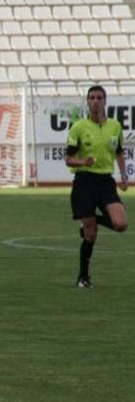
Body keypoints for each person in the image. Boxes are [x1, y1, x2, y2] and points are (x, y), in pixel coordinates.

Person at [66, 85, 129, 288]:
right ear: (87, 102)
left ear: (105, 101)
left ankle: (90, 221)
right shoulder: (78, 127)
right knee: (90, 235)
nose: (95, 101)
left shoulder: (115, 127)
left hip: (106, 182)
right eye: (92, 97)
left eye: (99, 97)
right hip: (84, 182)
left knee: (121, 224)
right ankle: (82, 278)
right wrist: (83, 162)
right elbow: (68, 159)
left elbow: (119, 152)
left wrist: (124, 174)